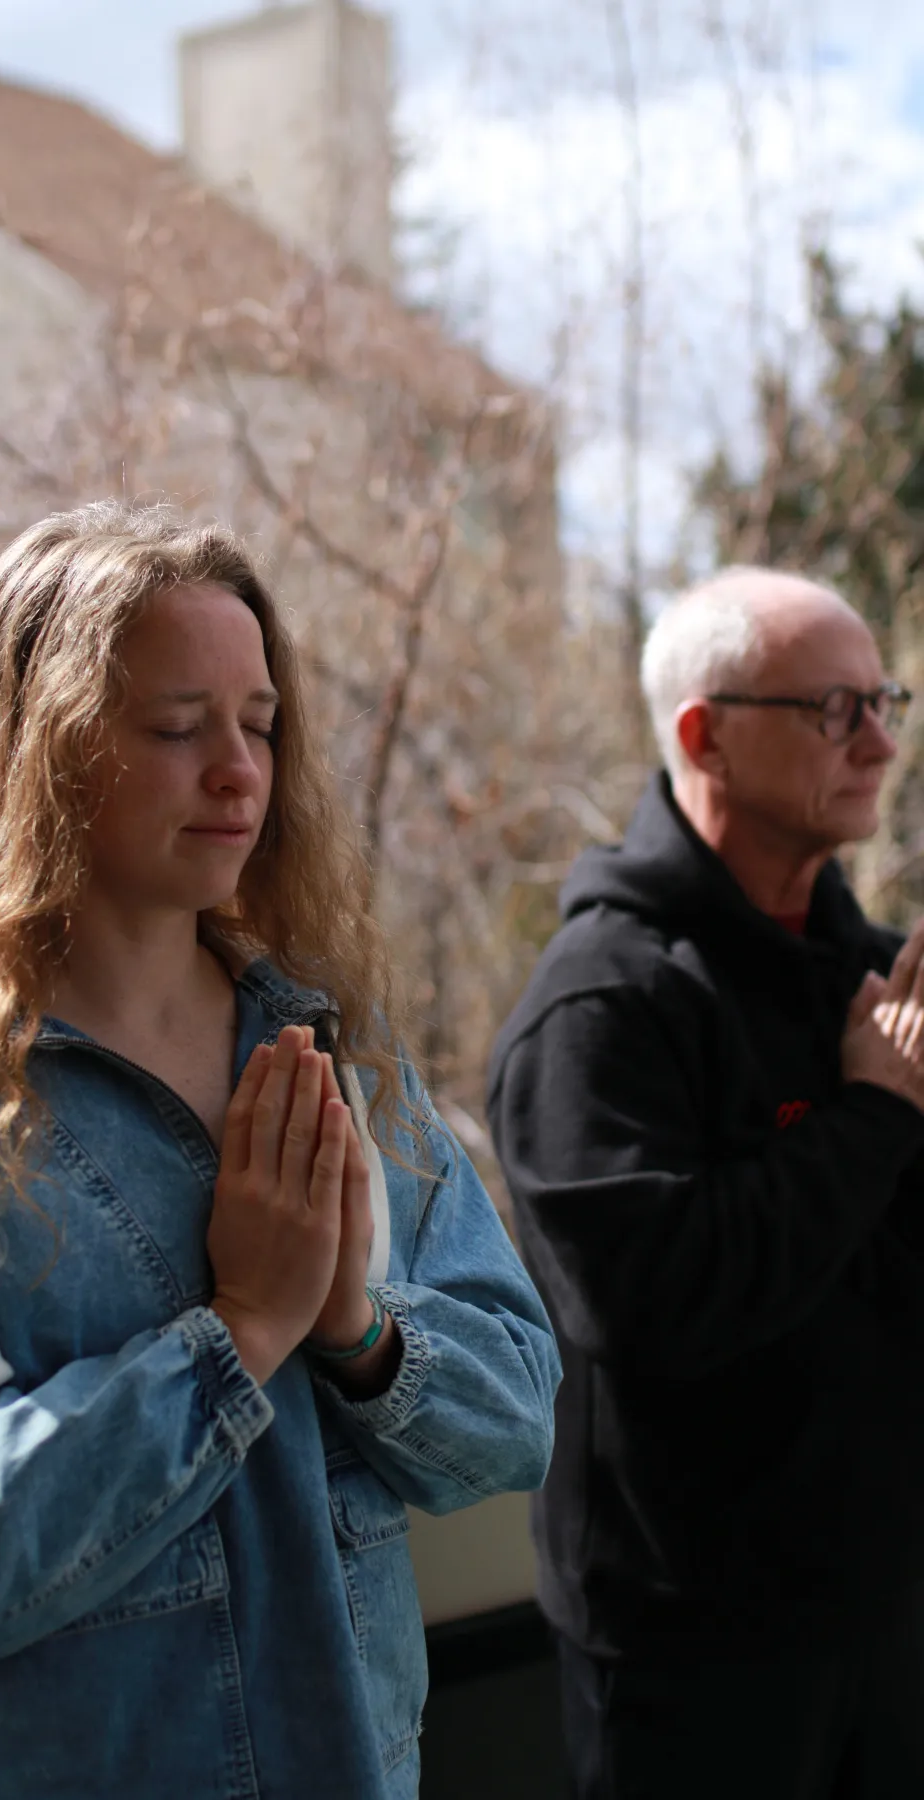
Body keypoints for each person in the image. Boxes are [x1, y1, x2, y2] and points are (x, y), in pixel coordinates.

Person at [0, 502, 559, 1800]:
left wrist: (354, 1331)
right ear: (36, 757)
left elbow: (520, 1417)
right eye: (178, 727)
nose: (240, 771)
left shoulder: (330, 1058)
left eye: (261, 724)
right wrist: (232, 1340)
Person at [487, 566, 924, 1799]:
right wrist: (871, 1115)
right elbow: (654, 1302)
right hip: (694, 1651)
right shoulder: (602, 1007)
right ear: (705, 735)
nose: (883, 740)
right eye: (839, 709)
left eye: (883, 700)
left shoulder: (878, 985)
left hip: (882, 1611)